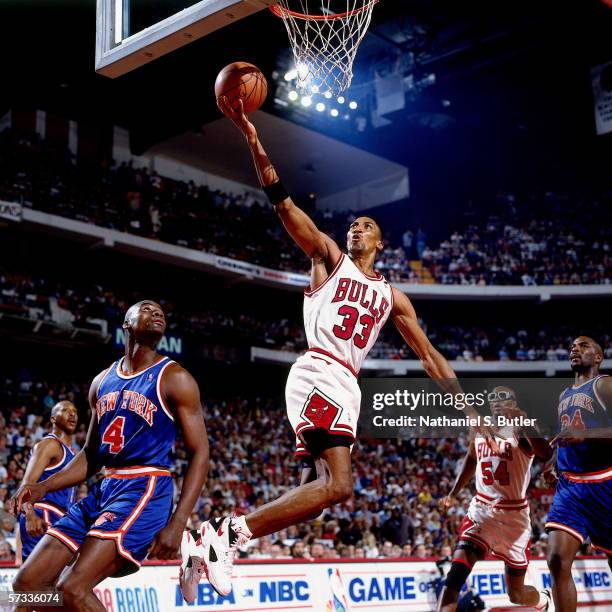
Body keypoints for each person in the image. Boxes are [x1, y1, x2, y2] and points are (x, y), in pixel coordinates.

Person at [179, 97, 489, 600]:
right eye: (354, 224)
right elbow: (284, 204)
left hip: (348, 384)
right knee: (341, 486)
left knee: (321, 494)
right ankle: (223, 537)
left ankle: (215, 543)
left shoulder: (393, 296)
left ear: (382, 243)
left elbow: (429, 356)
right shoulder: (328, 258)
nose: (357, 227)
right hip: (320, 369)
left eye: (368, 225)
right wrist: (254, 139)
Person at [9, 300, 209, 611]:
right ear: (127, 324)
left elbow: (200, 452)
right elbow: (91, 455)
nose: (158, 314)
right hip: (105, 489)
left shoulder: (174, 377)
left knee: (72, 588)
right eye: (147, 308)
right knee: (25, 588)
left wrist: (179, 520)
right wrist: (44, 486)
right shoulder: (101, 382)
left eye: (161, 312)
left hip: (144, 489)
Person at [437, 386, 553, 612]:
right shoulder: (480, 427)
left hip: (514, 516)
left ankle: (544, 599)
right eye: (493, 399)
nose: (497, 402)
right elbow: (471, 460)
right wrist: (453, 494)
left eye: (503, 398)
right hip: (481, 511)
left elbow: (545, 453)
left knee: (516, 594)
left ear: (514, 402)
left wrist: (527, 423)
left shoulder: (522, 426)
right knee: (454, 579)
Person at [545, 336, 612, 612]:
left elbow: (580, 433)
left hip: (605, 482)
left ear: (598, 357)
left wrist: (585, 435)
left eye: (583, 345)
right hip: (570, 486)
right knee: (557, 560)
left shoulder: (605, 384)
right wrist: (553, 460)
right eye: (573, 346)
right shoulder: (563, 395)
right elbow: (567, 435)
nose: (575, 348)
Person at [17, 401, 78, 563]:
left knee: (60, 581)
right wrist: (29, 514)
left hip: (61, 518)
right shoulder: (49, 445)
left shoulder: (72, 453)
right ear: (53, 419)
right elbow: (25, 485)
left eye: (74, 411)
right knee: (37, 581)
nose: (72, 414)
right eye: (65, 410)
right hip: (42, 515)